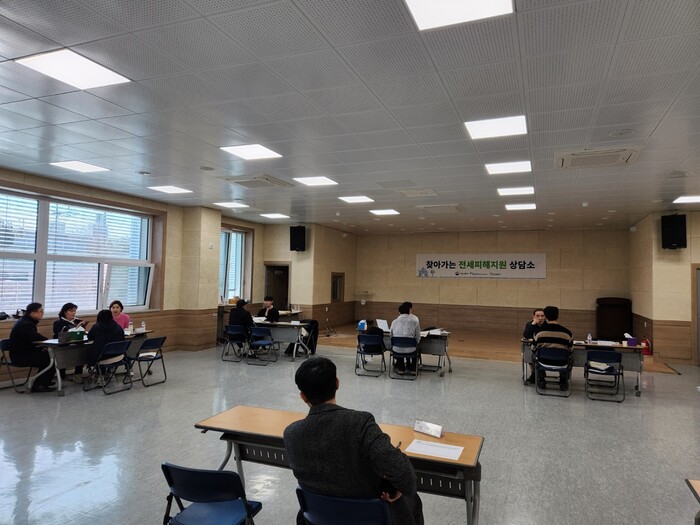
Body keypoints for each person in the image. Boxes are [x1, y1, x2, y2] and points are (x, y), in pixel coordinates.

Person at [283, 357, 424, 525]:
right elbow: (406, 478)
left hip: (319, 518)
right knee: (412, 499)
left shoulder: (291, 434)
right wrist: (398, 489)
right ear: (337, 383)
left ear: (303, 396)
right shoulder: (360, 424)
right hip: (368, 518)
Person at [8, 302, 55, 393]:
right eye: (41, 311)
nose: (42, 313)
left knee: (49, 356)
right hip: (20, 356)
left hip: (25, 353)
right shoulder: (26, 324)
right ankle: (40, 385)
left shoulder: (26, 322)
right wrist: (49, 341)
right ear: (32, 313)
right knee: (50, 358)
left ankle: (44, 382)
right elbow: (35, 337)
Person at [533, 306, 573, 391]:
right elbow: (571, 350)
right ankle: (563, 381)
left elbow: (533, 348)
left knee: (534, 357)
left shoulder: (539, 332)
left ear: (546, 316)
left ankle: (541, 380)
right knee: (569, 358)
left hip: (543, 362)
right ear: (557, 316)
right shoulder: (567, 333)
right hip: (562, 362)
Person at [53, 302, 89, 382]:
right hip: (64, 345)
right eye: (71, 311)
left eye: (74, 311)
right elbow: (59, 334)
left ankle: (78, 374)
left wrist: (82, 329)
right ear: (65, 312)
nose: (73, 313)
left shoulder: (77, 321)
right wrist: (77, 328)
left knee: (83, 350)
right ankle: (62, 374)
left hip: (77, 344)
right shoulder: (58, 323)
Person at [389, 301, 421, 374]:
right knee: (417, 348)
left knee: (399, 347)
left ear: (399, 312)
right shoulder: (415, 322)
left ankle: (401, 369)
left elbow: (391, 335)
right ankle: (413, 369)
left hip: (396, 349)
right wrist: (416, 342)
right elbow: (418, 336)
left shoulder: (394, 322)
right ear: (409, 311)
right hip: (411, 349)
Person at [522, 308, 546, 385]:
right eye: (537, 316)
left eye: (542, 316)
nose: (540, 318)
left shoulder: (548, 325)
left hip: (546, 348)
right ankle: (534, 374)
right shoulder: (530, 324)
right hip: (534, 348)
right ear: (533, 317)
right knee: (528, 352)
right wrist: (533, 324)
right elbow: (526, 335)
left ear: (545, 317)